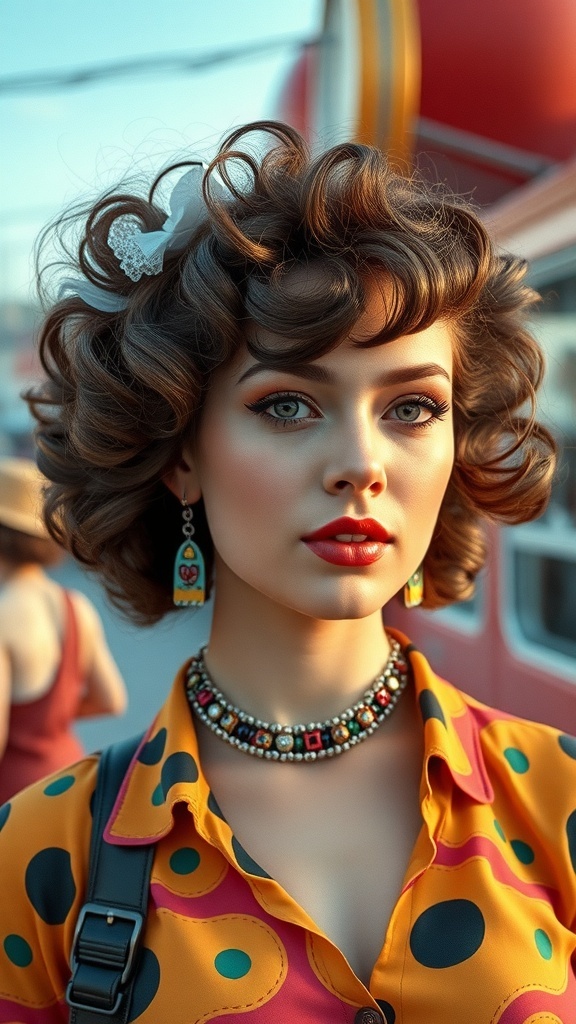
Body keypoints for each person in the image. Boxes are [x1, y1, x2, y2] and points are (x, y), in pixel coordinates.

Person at [0, 120, 573, 1024]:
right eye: (289, 403)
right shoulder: (43, 857)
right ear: (181, 453)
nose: (361, 463)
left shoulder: (562, 804)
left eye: (413, 406)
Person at [0, 457, 127, 804]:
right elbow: (112, 700)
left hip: (15, 799)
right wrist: (45, 723)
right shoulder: (75, 605)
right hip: (69, 784)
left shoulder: (3, 616)